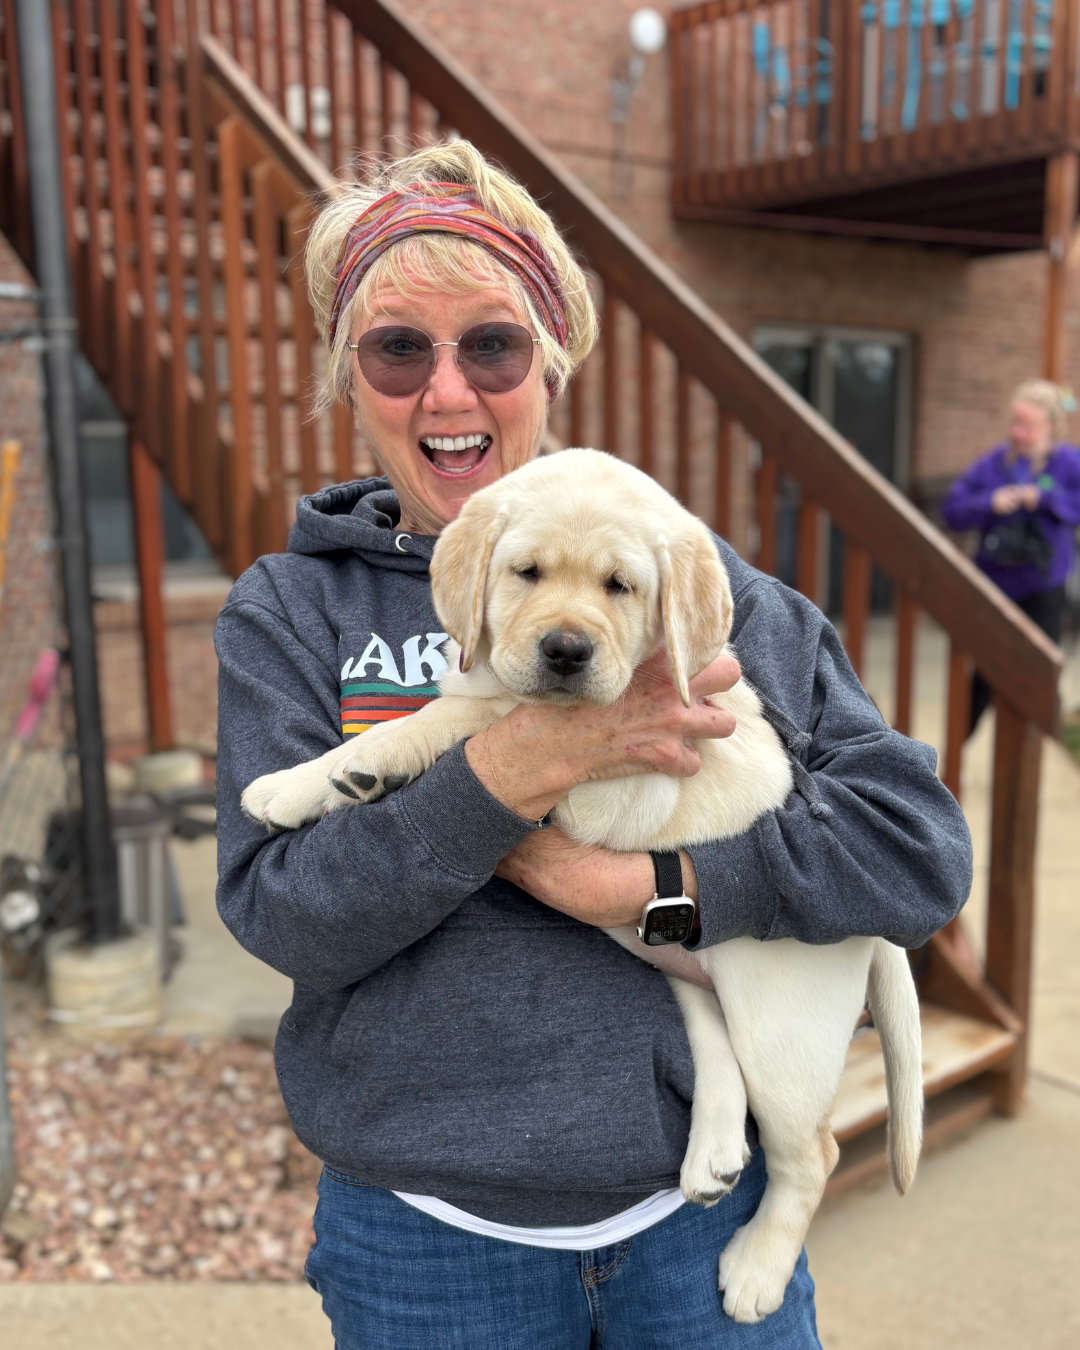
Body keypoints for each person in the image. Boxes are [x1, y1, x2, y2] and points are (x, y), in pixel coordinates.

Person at [214, 141, 971, 1349]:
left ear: (552, 364)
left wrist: (651, 892)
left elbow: (918, 853)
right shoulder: (295, 613)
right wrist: (515, 773)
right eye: (399, 347)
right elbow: (283, 912)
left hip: (694, 1222)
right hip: (423, 1239)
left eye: (494, 345)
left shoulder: (692, 585)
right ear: (345, 378)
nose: (448, 392)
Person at [941, 379, 1080, 731]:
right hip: (995, 586)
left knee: (1041, 674)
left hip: (1044, 586)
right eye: (1014, 422)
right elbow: (952, 510)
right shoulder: (992, 465)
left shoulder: (1068, 464)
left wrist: (1047, 500)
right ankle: (954, 755)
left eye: (1027, 425)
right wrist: (990, 502)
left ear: (1051, 428)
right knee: (984, 677)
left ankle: (1042, 749)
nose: (1017, 432)